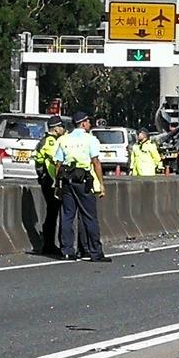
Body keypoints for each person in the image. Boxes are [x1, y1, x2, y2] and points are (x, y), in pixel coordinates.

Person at [54, 111, 111, 262]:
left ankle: (66, 251)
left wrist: (57, 184)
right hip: (83, 180)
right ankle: (95, 252)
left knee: (67, 216)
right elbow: (96, 161)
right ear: (83, 123)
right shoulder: (90, 139)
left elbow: (58, 163)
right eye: (88, 122)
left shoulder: (63, 139)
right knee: (89, 217)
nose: (90, 124)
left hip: (67, 180)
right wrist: (101, 184)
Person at [32, 115, 64, 256]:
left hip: (50, 180)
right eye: (61, 126)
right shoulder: (50, 142)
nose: (63, 129)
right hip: (51, 181)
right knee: (52, 212)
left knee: (54, 212)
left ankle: (50, 243)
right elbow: (56, 158)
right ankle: (49, 245)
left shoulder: (52, 140)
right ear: (56, 128)